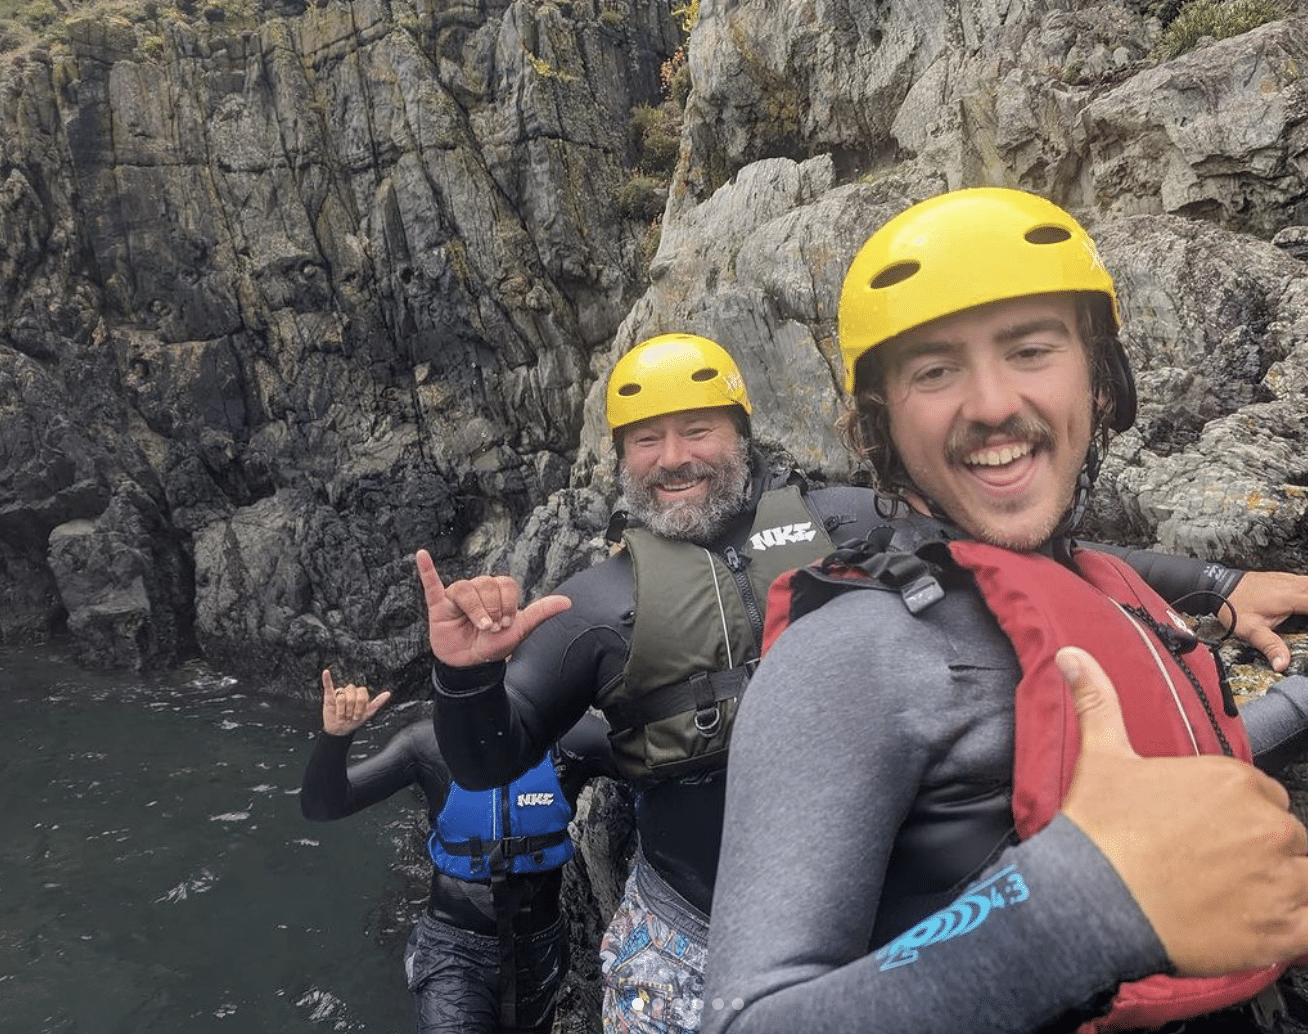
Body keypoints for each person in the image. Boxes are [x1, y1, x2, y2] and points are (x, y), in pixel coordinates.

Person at [415, 329, 1308, 1034]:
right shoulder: (590, 604)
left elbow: (1036, 564)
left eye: (698, 430)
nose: (673, 456)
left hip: (881, 913)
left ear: (742, 435)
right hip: (685, 932)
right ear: (621, 459)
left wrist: (1221, 587)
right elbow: (490, 760)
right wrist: (463, 680)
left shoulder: (843, 520)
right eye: (647, 440)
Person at [700, 187, 1308, 1034]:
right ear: (882, 426)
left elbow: (1185, 769)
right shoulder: (853, 653)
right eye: (936, 370)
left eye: (1030, 350)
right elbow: (745, 1022)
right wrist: (1081, 910)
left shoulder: (1108, 590)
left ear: (1102, 384)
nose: (989, 404)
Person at [299, 670, 616, 1034]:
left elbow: (655, 766)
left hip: (539, 949)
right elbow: (323, 806)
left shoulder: (573, 739)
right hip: (453, 950)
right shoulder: (427, 744)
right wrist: (335, 739)